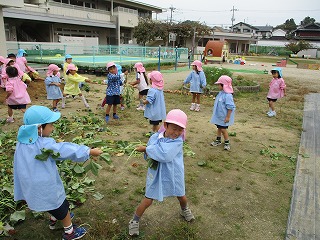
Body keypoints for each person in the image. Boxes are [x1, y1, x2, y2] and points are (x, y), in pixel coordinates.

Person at [14, 105, 103, 240]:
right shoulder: (45, 145)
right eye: (51, 125)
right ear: (39, 128)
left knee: (49, 203)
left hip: (30, 182)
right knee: (61, 205)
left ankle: (54, 218)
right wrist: (88, 151)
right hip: (44, 183)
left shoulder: (22, 142)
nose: (53, 128)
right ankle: (69, 233)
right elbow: (65, 149)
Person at [128, 109, 195, 236]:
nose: (176, 133)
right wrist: (147, 153)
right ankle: (134, 221)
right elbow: (150, 155)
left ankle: (184, 209)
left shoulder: (178, 141)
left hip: (173, 173)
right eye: (174, 128)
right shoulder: (154, 137)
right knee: (148, 199)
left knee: (181, 195)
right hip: (156, 173)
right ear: (165, 125)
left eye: (180, 130)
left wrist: (146, 150)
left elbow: (165, 155)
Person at [210, 75, 236, 151]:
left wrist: (228, 117)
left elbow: (230, 107)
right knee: (219, 128)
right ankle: (218, 140)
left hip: (224, 117)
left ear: (223, 85)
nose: (218, 86)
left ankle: (227, 142)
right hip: (219, 116)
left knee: (223, 130)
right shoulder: (221, 93)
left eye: (219, 84)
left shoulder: (228, 96)